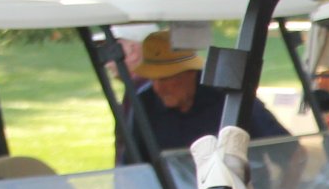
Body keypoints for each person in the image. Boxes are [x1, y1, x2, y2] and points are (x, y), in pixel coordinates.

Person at [121, 30, 284, 162]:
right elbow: (132, 167)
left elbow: (288, 152)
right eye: (153, 79)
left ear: (191, 73)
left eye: (165, 79)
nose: (158, 88)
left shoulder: (230, 98)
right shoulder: (145, 104)